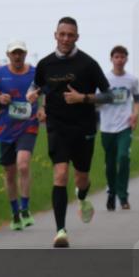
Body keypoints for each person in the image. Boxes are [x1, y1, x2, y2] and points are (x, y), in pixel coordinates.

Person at [26, 17, 113, 248]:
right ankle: (60, 231)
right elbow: (37, 87)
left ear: (77, 37)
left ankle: (82, 196)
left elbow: (109, 95)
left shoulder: (88, 64)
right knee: (61, 174)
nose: (65, 39)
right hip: (57, 126)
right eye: (62, 34)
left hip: (83, 127)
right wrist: (32, 96)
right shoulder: (45, 64)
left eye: (70, 35)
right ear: (55, 35)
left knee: (81, 178)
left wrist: (82, 98)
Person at [0, 41, 39, 231]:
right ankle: (15, 213)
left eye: (21, 53)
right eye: (14, 53)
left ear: (26, 54)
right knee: (9, 173)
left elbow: (45, 93)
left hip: (28, 126)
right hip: (6, 129)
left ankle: (25, 209)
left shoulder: (35, 73)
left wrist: (44, 109)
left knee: (23, 164)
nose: (17, 56)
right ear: (8, 54)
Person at [99, 45, 139, 211]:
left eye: (122, 57)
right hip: (107, 126)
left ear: (126, 59)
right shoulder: (103, 79)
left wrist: (135, 114)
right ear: (111, 59)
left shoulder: (132, 80)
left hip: (124, 125)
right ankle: (111, 192)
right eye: (116, 57)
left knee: (123, 158)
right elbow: (96, 99)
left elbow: (137, 100)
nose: (119, 60)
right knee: (110, 163)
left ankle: (123, 197)